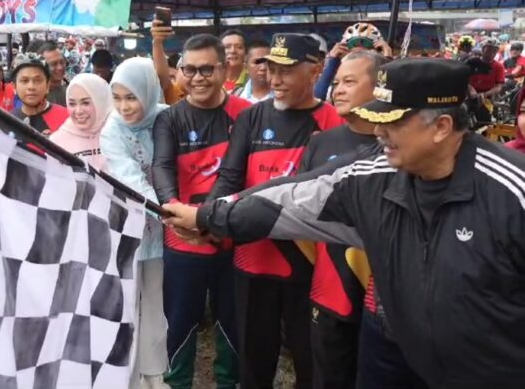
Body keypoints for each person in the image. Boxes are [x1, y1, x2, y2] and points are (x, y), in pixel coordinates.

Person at [164, 58, 525, 389]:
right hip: (392, 350)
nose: (378, 131)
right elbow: (292, 198)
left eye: (392, 121)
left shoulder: (512, 192)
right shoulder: (372, 175)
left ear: (442, 127)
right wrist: (207, 216)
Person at [208, 33, 344, 389]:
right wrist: (210, 215)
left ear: (314, 71)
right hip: (254, 259)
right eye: (271, 69)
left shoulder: (333, 121)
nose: (275, 80)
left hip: (310, 263)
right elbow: (229, 177)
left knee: (310, 360)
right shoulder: (252, 117)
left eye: (286, 70)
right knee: (254, 360)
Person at [152, 34, 251, 389]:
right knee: (179, 322)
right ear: (179, 71)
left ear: (223, 68)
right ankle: (177, 384)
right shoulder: (169, 118)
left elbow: (234, 173)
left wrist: (207, 219)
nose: (197, 78)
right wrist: (173, 208)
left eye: (207, 69)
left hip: (230, 238)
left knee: (232, 321)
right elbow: (162, 165)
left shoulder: (246, 114)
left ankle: (229, 382)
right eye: (189, 69)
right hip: (181, 238)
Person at [300, 50, 389, 389]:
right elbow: (301, 215)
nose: (337, 89)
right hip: (330, 289)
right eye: (336, 82)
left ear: (379, 87)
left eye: (349, 81)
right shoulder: (320, 143)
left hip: (385, 298)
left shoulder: (398, 142)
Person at [100, 57, 170, 389]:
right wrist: (168, 213)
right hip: (132, 228)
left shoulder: (167, 117)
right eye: (117, 98)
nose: (124, 107)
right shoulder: (112, 130)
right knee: (128, 305)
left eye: (132, 97)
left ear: (148, 91)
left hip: (171, 230)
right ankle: (127, 377)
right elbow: (130, 179)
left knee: (157, 302)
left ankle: (155, 374)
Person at [315, 23, 393, 101]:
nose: (339, 91)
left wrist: (386, 60)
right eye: (353, 55)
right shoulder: (339, 75)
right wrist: (332, 61)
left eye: (364, 54)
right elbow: (318, 96)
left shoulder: (378, 78)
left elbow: (386, 97)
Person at [50, 73, 112, 170]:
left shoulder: (119, 134)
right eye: (72, 104)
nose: (78, 111)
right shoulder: (57, 141)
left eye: (85, 103)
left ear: (101, 102)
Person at [10, 53, 69, 135]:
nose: (31, 87)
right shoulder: (8, 121)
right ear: (14, 87)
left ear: (47, 86)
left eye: (37, 80)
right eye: (24, 81)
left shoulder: (66, 119)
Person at [151, 19, 186, 105]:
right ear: (178, 71)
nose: (196, 76)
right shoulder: (173, 93)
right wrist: (157, 42)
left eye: (205, 69)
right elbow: (162, 77)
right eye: (189, 69)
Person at [40, 41, 69, 106]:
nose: (60, 67)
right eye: (54, 64)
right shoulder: (37, 97)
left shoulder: (70, 91)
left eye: (62, 62)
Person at [220, 29, 248, 93]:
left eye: (239, 47)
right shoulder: (213, 79)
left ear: (246, 54)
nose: (233, 51)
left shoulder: (252, 79)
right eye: (227, 47)